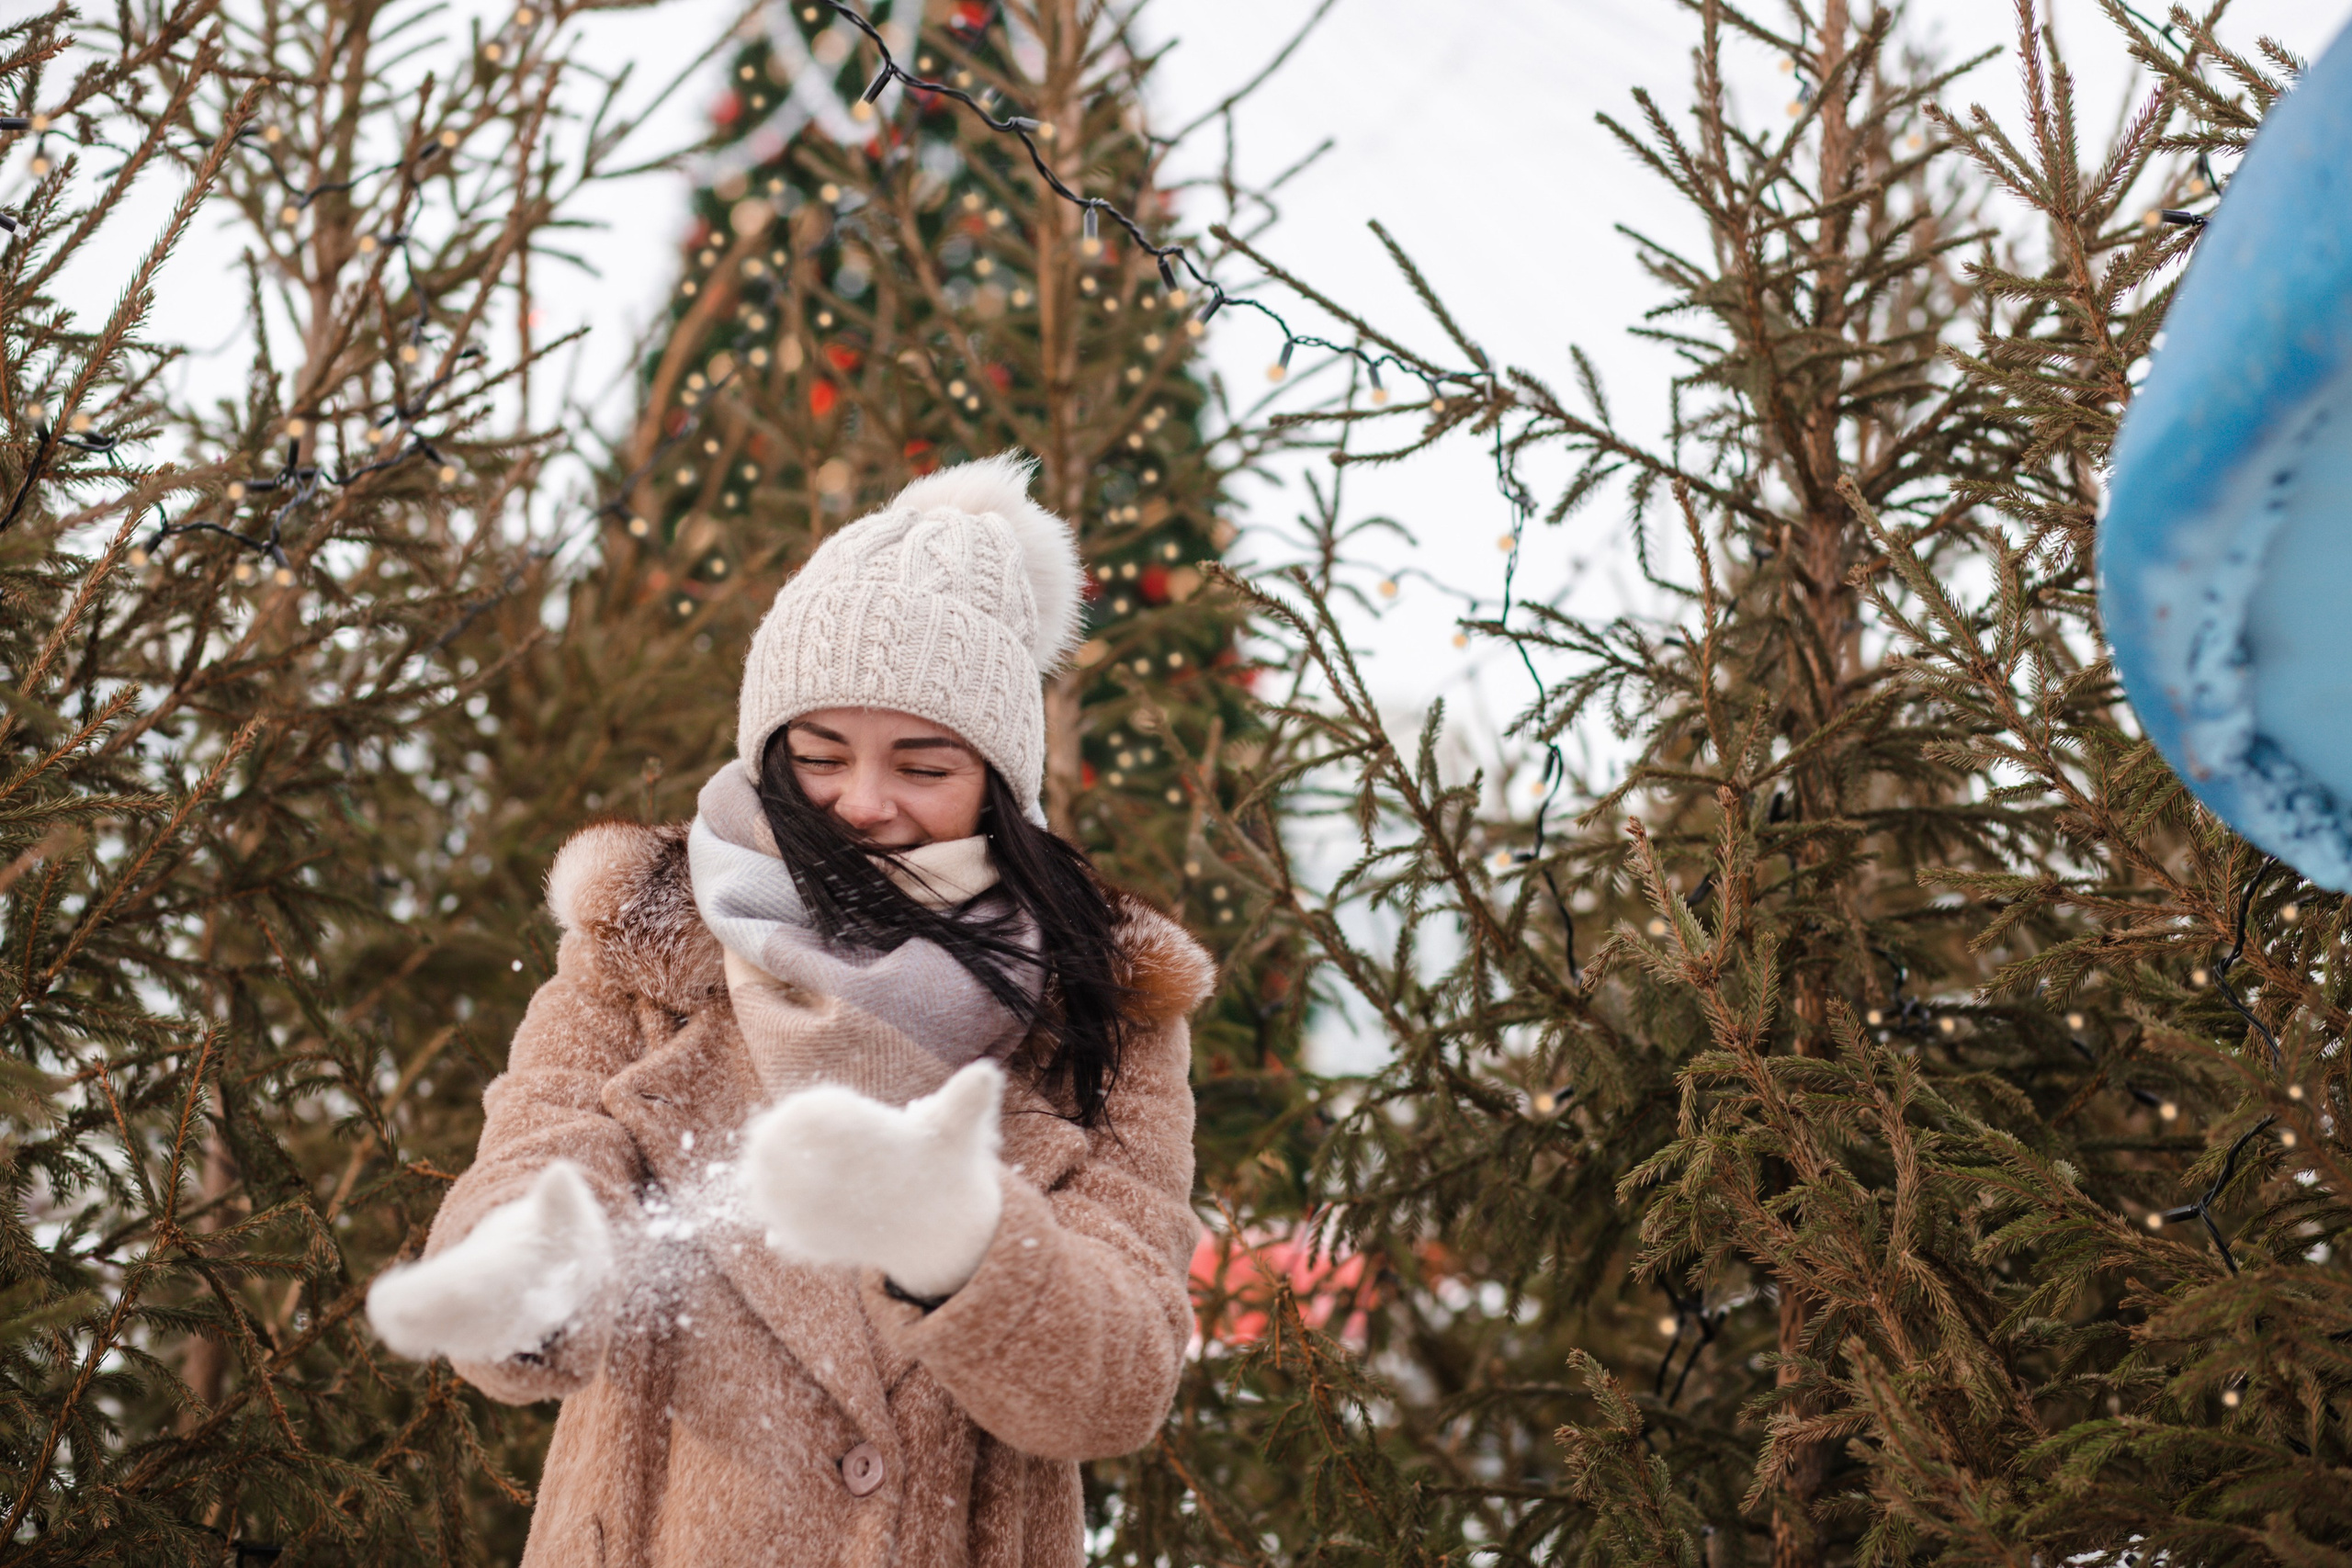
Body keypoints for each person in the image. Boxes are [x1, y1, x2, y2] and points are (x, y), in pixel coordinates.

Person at [366, 455, 1215, 1568]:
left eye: (923, 763)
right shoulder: (643, 943)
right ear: (767, 754)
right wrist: (524, 1263)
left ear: (999, 781)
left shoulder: (1101, 1006)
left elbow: (1123, 1381)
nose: (863, 803)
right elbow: (547, 1138)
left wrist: (959, 1243)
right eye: (819, 755)